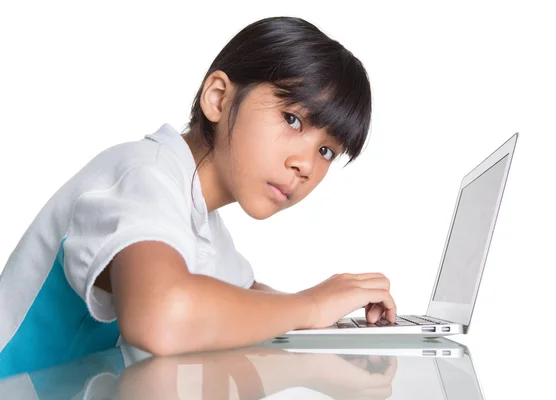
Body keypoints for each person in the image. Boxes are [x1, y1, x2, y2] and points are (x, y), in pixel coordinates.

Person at [0, 16, 396, 379]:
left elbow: (240, 297)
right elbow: (162, 315)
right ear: (218, 98)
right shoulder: (145, 176)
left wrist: (335, 315)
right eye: (292, 119)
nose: (306, 164)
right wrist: (311, 306)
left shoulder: (199, 221)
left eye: (327, 151)